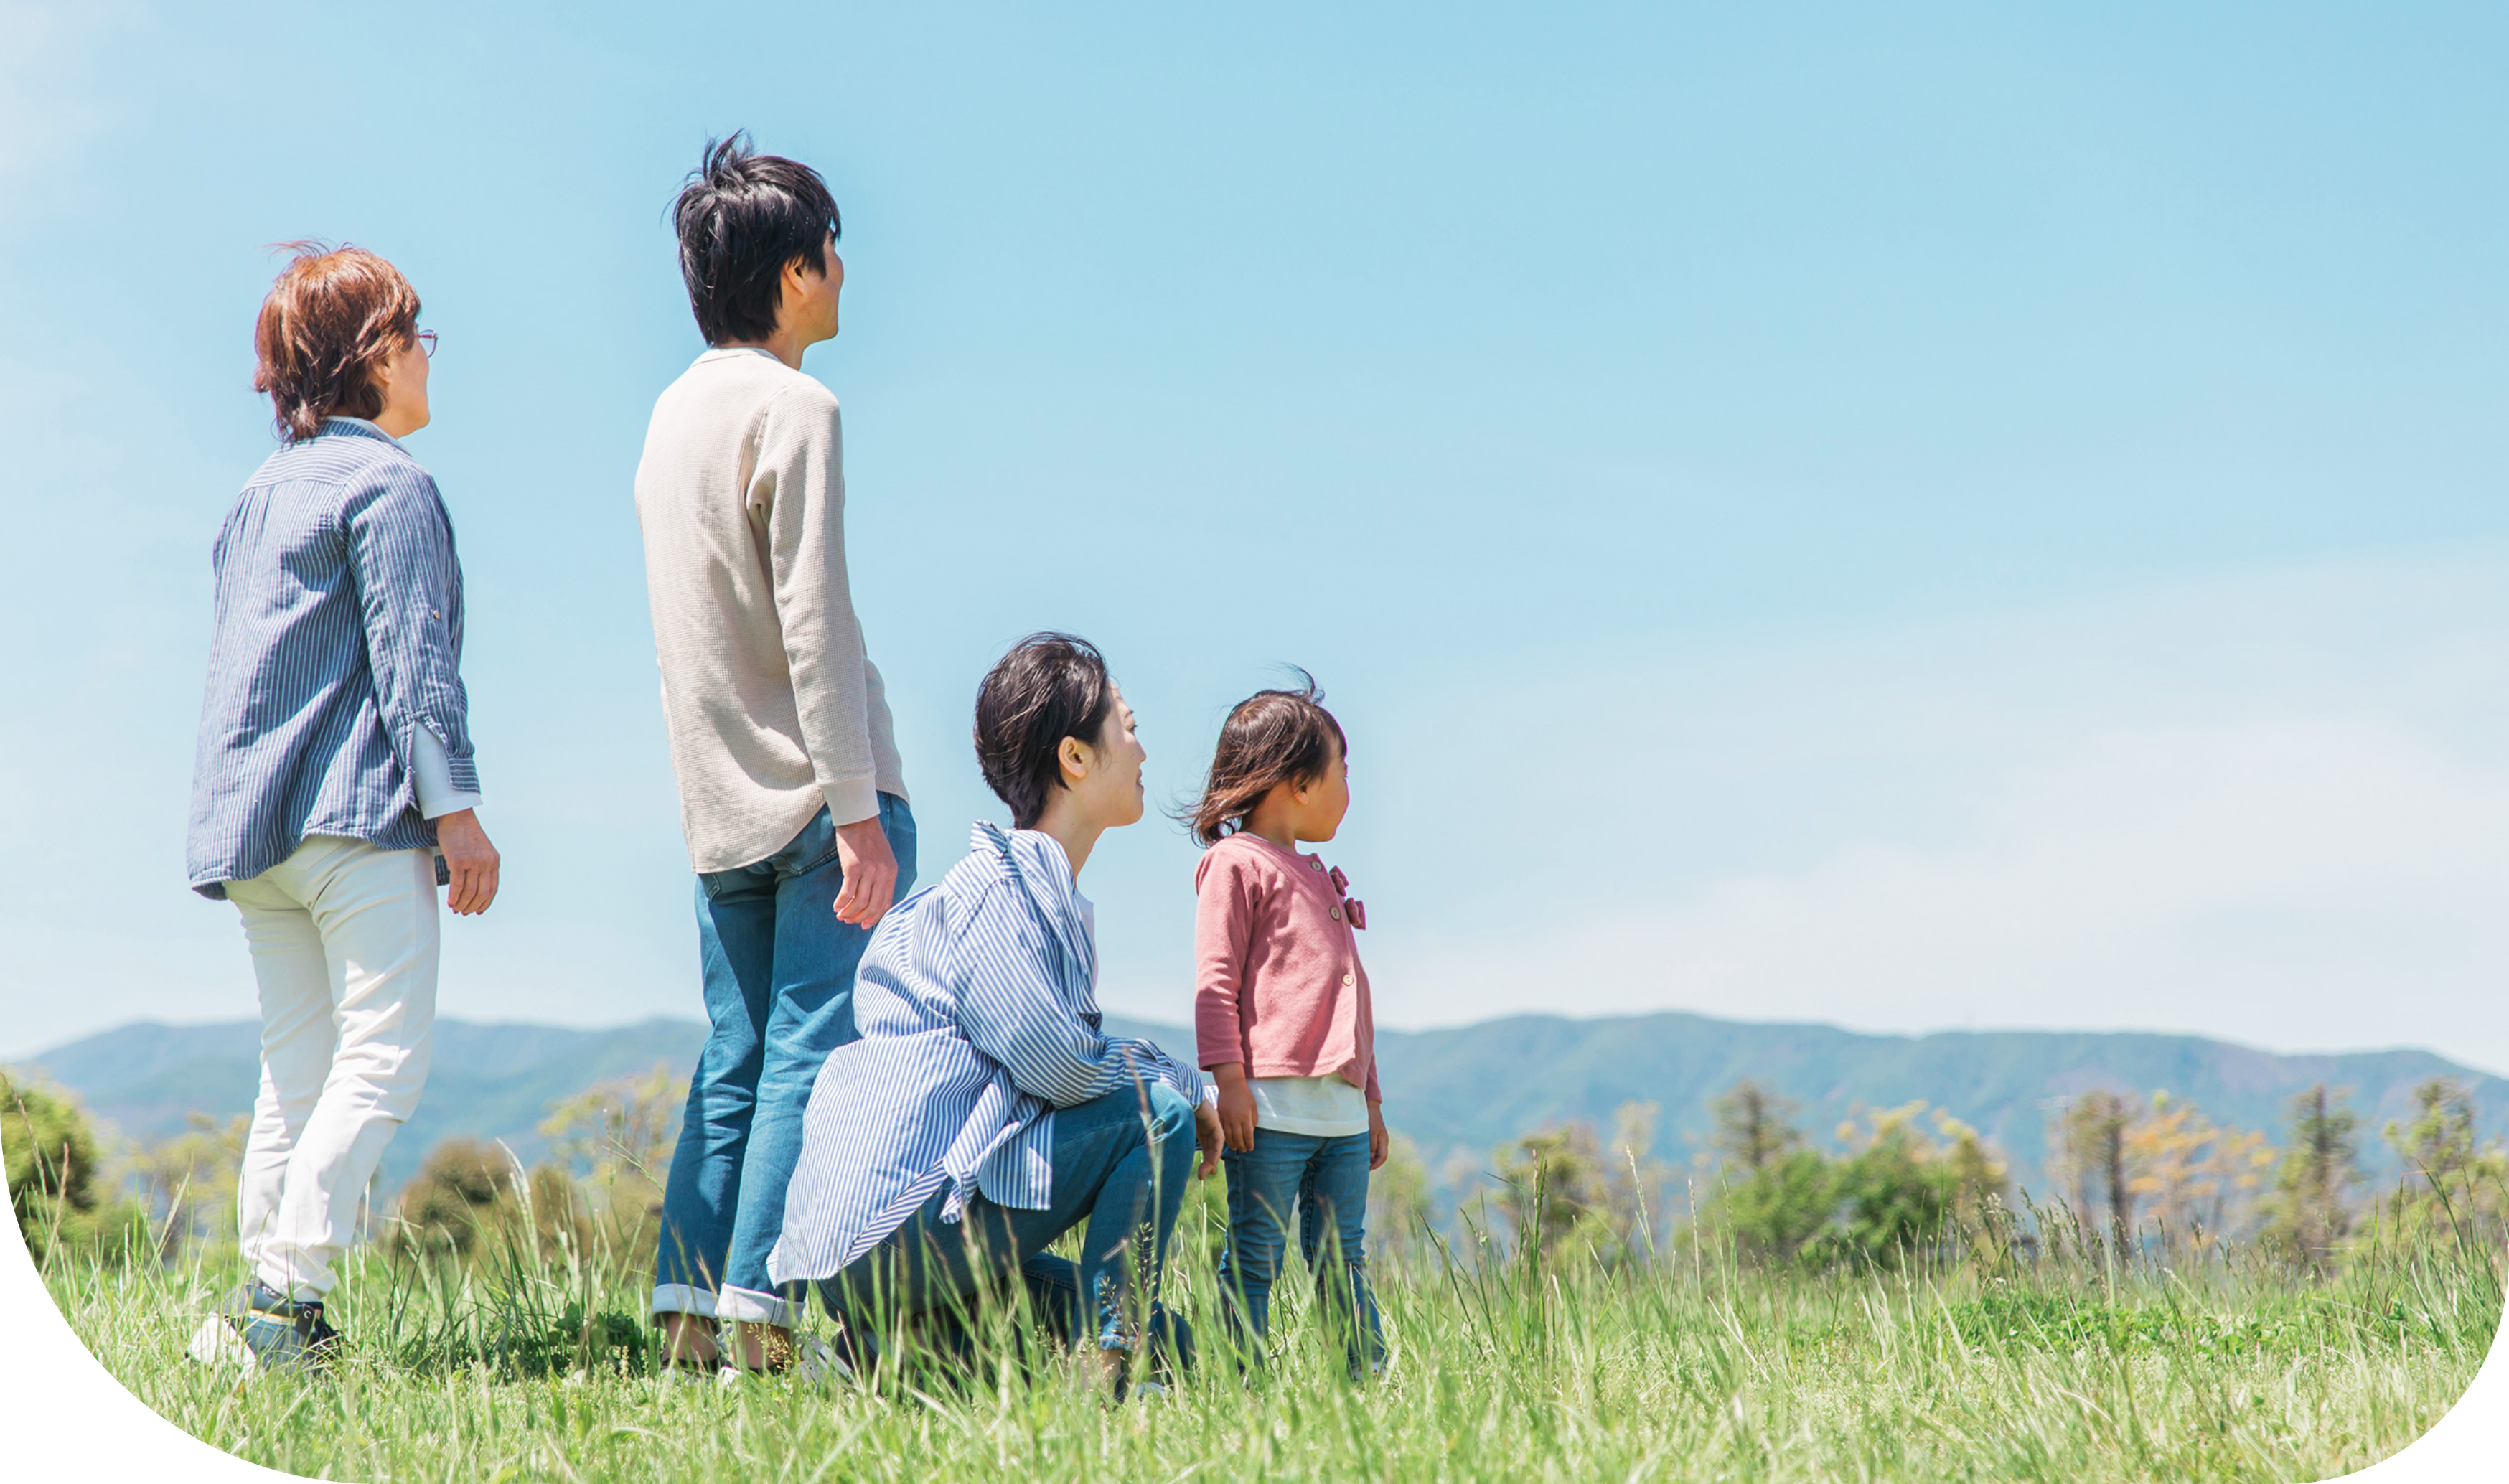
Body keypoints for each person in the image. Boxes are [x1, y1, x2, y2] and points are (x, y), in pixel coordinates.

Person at [184, 244, 499, 1373]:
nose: (426, 353)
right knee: (383, 1060)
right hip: (352, 816)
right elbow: (415, 665)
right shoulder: (392, 486)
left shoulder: (255, 497)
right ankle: (283, 1294)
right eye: (414, 332)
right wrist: (454, 813)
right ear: (370, 357)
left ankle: (262, 1328)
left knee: (295, 1073)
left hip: (248, 833)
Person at [633, 135, 916, 1376]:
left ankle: (689, 1308)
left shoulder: (669, 415)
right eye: (832, 249)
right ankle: (763, 1312)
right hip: (815, 790)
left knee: (735, 1055)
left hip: (717, 802)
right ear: (793, 274)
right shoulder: (799, 407)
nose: (846, 269)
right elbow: (815, 615)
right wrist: (856, 807)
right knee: (813, 1049)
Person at [769, 634, 1224, 1399]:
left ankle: (880, 1357)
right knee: (1159, 1119)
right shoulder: (997, 892)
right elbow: (1057, 1060)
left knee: (1189, 1346)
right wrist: (1181, 1083)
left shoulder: (1028, 897)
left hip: (909, 1240)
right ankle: (1106, 1375)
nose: (1143, 749)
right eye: (1129, 724)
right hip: (895, 1234)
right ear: (1074, 758)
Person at [1187, 674, 1388, 1378]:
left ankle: (1362, 1386)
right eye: (1342, 773)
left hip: (1340, 1115)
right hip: (1267, 1108)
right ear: (1299, 783)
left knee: (1343, 1259)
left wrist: (1370, 1101)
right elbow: (1215, 985)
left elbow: (1347, 1001)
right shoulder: (1236, 864)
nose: (1348, 791)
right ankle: (1234, 1388)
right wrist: (1229, 1084)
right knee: (1255, 1256)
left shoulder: (1319, 875)